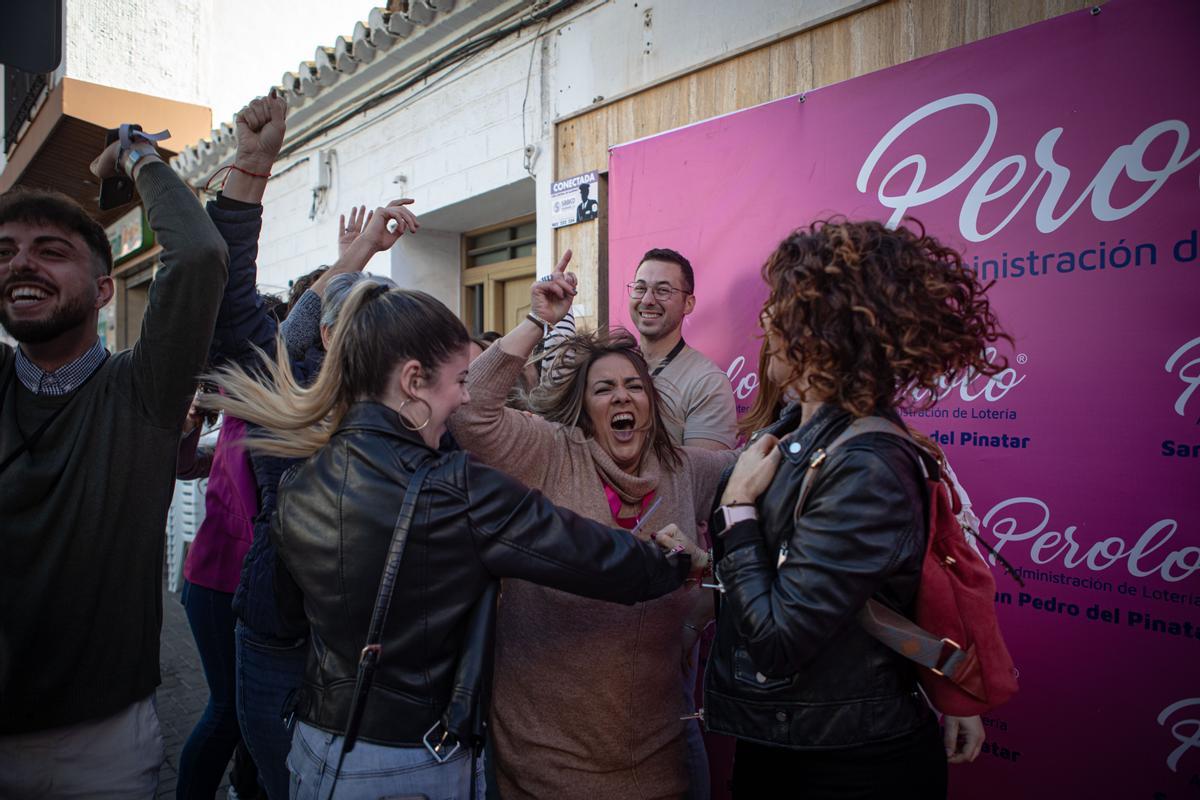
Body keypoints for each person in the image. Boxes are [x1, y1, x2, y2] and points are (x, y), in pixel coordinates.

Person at [200, 280, 698, 799]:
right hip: (410, 763)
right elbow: (593, 557)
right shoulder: (456, 488)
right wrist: (675, 561)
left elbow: (284, 618)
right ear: (415, 381)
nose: (464, 396)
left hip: (315, 750)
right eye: (459, 380)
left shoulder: (300, 478)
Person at [704, 219, 999, 798]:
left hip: (846, 761)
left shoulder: (866, 464)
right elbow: (789, 572)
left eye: (781, 308)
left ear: (826, 332)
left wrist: (737, 507)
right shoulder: (798, 431)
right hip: (791, 737)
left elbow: (780, 641)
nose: (765, 321)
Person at [448, 252, 733, 799]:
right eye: (604, 389)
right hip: (543, 766)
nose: (622, 397)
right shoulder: (551, 452)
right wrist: (537, 321)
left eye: (634, 386)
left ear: (651, 403)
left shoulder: (683, 471)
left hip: (656, 766)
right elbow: (470, 411)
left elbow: (756, 470)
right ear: (583, 406)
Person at [0, 130, 228, 796]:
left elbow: (199, 253)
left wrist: (135, 159)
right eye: (6, 252)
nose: (23, 265)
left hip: (101, 745)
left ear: (105, 291)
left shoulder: (142, 393)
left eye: (51, 251)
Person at [627, 247, 737, 450]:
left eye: (663, 291)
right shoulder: (614, 365)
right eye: (640, 288)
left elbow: (702, 475)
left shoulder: (707, 383)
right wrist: (556, 320)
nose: (647, 300)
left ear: (688, 303)